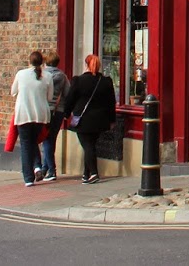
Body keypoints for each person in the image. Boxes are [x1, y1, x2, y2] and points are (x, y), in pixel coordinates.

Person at [61, 53, 117, 184]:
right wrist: (112, 120)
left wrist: (66, 114)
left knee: (88, 146)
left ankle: (93, 173)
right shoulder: (105, 81)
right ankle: (86, 174)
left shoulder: (78, 81)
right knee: (90, 145)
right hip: (100, 120)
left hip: (83, 119)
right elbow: (111, 102)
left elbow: (70, 99)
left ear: (86, 65)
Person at [10, 50, 53, 186]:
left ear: (29, 61)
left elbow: (13, 92)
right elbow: (50, 97)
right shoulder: (47, 76)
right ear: (42, 62)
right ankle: (37, 167)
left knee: (26, 145)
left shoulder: (21, 74)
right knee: (33, 142)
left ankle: (28, 178)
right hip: (41, 114)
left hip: (24, 113)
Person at [39, 50, 69, 181]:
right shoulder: (62, 76)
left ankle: (51, 170)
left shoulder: (43, 76)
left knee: (46, 139)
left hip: (45, 110)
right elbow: (68, 92)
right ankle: (45, 168)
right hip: (59, 110)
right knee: (51, 139)